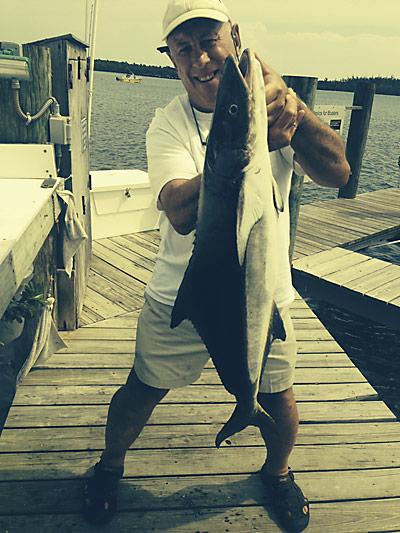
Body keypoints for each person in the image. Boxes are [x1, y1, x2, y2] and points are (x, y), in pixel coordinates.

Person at [82, 1, 350, 531]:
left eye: (210, 40)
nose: (201, 58)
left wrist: (294, 116)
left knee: (279, 395)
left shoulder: (275, 108)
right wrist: (234, 154)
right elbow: (179, 211)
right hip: (185, 290)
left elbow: (338, 174)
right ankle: (109, 467)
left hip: (263, 293)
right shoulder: (168, 124)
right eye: (184, 48)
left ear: (235, 38)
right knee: (141, 389)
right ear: (171, 59)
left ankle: (277, 473)